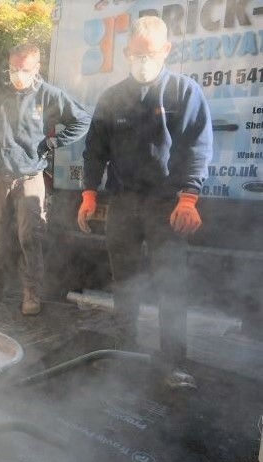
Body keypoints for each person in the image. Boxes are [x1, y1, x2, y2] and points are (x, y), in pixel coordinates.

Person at [77, 16, 213, 389]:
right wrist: (89, 193)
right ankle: (125, 351)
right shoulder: (112, 97)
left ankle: (173, 363)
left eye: (150, 54)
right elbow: (94, 151)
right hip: (123, 202)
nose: (142, 61)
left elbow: (198, 149)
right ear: (126, 53)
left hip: (167, 205)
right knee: (125, 283)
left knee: (172, 284)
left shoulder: (184, 93)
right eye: (136, 54)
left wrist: (188, 198)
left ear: (166, 51)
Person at [0, 43, 91, 315]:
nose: (18, 74)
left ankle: (31, 294)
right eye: (13, 68)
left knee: (30, 238)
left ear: (37, 68)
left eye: (24, 70)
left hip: (30, 176)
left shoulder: (48, 95)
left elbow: (82, 120)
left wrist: (54, 142)